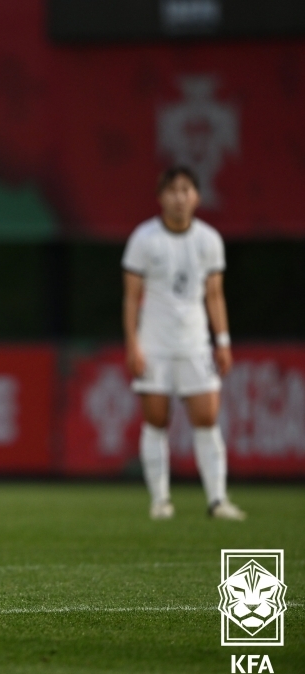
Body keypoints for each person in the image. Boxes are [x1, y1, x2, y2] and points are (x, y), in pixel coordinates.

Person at [122, 165, 244, 521]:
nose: (180, 197)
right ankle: (160, 499)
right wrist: (133, 344)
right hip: (155, 343)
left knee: (206, 417)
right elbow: (131, 297)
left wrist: (222, 341)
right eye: (173, 190)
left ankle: (217, 500)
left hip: (194, 342)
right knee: (155, 418)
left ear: (197, 196)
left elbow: (215, 294)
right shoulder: (144, 239)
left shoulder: (209, 240)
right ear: (160, 197)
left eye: (186, 189)